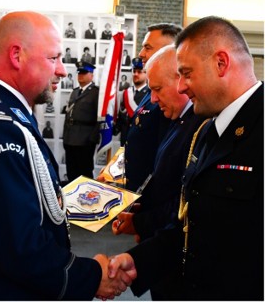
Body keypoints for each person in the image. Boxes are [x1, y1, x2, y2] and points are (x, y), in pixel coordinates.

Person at [0, 11, 132, 300]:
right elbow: (16, 244)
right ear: (17, 55)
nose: (61, 70)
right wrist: (89, 276)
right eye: (52, 58)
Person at [109, 16, 263, 300]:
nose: (180, 87)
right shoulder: (207, 130)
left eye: (187, 73)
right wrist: (140, 261)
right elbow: (194, 226)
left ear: (221, 63)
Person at [112, 45, 206, 300]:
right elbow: (162, 179)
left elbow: (187, 203)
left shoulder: (202, 125)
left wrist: (141, 222)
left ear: (180, 79)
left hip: (181, 255)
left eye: (157, 89)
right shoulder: (179, 121)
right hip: (163, 244)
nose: (152, 99)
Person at [116, 23, 180, 192]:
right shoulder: (151, 89)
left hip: (151, 190)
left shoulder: (173, 97)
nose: (141, 53)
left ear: (168, 51)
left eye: (147, 48)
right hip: (135, 185)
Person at [63, 61, 99, 182]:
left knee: (85, 174)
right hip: (70, 138)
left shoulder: (96, 93)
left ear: (91, 75)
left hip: (85, 140)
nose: (80, 75)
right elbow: (68, 115)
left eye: (84, 72)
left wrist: (92, 139)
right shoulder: (75, 92)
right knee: (71, 173)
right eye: (79, 72)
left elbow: (99, 118)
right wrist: (65, 137)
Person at [115, 59, 148, 145]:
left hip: (141, 142)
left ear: (146, 74)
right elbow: (121, 117)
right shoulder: (126, 93)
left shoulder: (150, 94)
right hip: (125, 140)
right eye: (134, 71)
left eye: (139, 71)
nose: (136, 74)